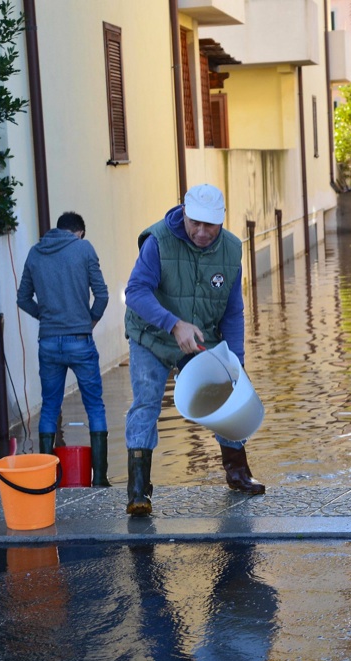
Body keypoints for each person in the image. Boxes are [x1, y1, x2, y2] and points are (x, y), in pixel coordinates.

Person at [123, 183, 265, 517]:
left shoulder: (231, 249)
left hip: (201, 334)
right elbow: (135, 292)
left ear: (222, 221)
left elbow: (232, 311)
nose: (201, 232)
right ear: (184, 213)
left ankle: (237, 473)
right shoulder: (157, 241)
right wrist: (173, 324)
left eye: (210, 225)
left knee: (229, 391)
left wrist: (237, 362)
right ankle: (138, 489)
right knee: (146, 402)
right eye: (195, 223)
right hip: (152, 336)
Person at [17, 211, 111, 486]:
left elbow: (23, 298)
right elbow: (102, 295)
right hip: (80, 339)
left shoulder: (36, 252)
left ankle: (46, 480)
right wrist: (89, 321)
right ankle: (100, 479)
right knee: (94, 407)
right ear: (78, 232)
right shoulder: (83, 248)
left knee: (49, 407)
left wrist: (46, 318)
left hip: (48, 341)